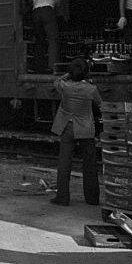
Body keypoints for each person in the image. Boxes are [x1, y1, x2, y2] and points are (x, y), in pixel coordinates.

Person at [50, 58, 101, 206]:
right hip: (85, 128)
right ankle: (92, 199)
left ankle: (62, 197)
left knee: (64, 162)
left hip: (67, 127)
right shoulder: (91, 89)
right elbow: (100, 104)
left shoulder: (64, 86)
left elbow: (57, 80)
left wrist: (69, 74)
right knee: (90, 164)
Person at [30, 0, 60, 73]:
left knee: (39, 41)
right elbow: (58, 7)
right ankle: (52, 66)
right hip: (48, 11)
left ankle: (38, 66)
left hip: (35, 12)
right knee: (52, 40)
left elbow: (28, 3)